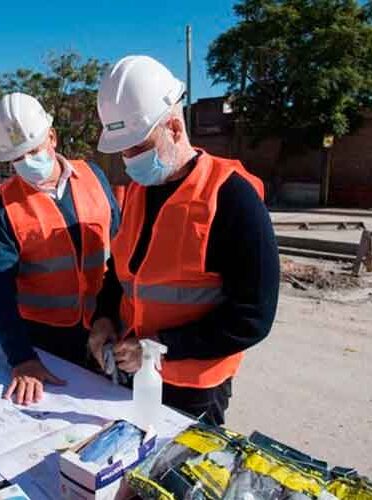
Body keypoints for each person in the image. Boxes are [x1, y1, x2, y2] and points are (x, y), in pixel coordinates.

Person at [89, 55, 279, 425]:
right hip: (133, 374)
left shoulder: (232, 197)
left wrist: (161, 347)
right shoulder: (139, 193)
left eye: (137, 147)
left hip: (194, 393)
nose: (128, 160)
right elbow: (121, 273)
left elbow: (253, 316)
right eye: (123, 150)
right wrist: (103, 318)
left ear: (175, 129)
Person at [0, 93, 121, 406]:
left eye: (34, 150)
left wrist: (118, 315)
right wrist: (22, 358)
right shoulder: (6, 208)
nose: (28, 162)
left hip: (105, 324)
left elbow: (122, 247)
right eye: (18, 158)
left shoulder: (94, 176)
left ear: (53, 137)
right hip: (45, 341)